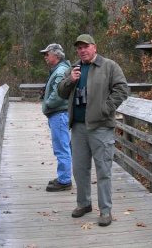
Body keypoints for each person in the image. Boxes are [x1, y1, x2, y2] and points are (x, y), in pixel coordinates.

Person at [58, 34, 129, 227]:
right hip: (78, 128)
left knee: (103, 169)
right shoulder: (74, 68)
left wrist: (106, 108)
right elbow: (61, 92)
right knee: (79, 169)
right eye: (79, 48)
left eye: (85, 47)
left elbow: (122, 89)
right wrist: (70, 80)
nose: (82, 51)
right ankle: (84, 204)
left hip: (101, 127)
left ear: (94, 47)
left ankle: (105, 211)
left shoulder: (109, 66)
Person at [40, 43, 73, 192]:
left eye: (47, 54)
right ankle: (63, 176)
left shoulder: (60, 71)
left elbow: (59, 94)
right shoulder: (61, 69)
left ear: (56, 55)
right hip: (59, 114)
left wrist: (47, 104)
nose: (45, 57)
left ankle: (65, 180)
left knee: (61, 147)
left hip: (59, 114)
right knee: (62, 146)